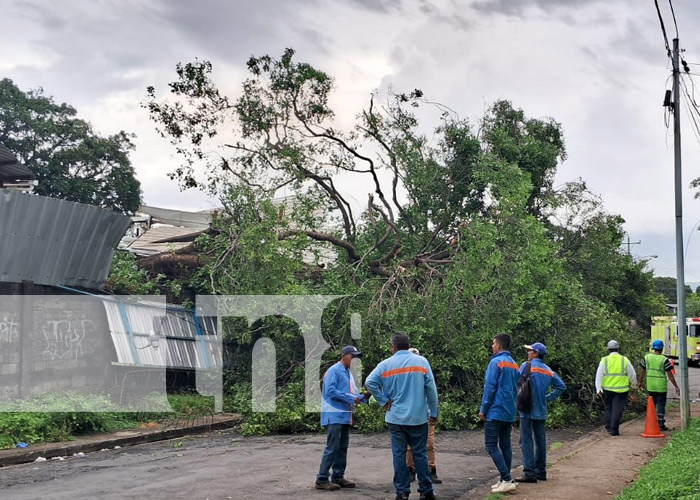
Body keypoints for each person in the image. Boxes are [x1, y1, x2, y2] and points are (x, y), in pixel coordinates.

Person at [365, 333, 439, 500]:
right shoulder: (421, 362)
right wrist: (433, 412)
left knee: (399, 455)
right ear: (408, 345)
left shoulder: (385, 365)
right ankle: (426, 491)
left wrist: (383, 400)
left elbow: (370, 382)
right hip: (418, 417)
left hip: (396, 418)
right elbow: (431, 390)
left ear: (393, 347)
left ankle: (402, 492)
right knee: (420, 454)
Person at [315, 345, 369, 490]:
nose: (355, 359)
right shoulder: (334, 370)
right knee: (332, 447)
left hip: (344, 415)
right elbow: (330, 391)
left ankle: (338, 476)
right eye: (353, 356)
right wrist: (352, 398)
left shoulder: (348, 373)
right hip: (333, 415)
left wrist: (365, 397)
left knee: (342, 447)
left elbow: (353, 395)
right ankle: (321, 479)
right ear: (344, 355)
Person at [514, 342, 566, 483]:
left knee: (526, 441)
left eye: (530, 351)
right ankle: (541, 471)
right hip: (541, 410)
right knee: (540, 441)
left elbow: (515, 382)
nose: (528, 353)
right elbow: (561, 386)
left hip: (527, 409)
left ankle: (529, 473)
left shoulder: (527, 366)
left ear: (536, 353)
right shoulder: (548, 370)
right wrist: (548, 398)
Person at [479, 333, 520, 494]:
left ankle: (507, 478)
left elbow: (490, 387)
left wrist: (483, 409)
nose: (492, 346)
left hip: (496, 409)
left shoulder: (496, 362)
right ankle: (505, 479)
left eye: (493, 343)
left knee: (490, 445)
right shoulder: (514, 364)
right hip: (509, 410)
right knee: (505, 445)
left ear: (499, 345)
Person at [406, 347, 442, 484]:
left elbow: (432, 393)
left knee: (429, 444)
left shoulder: (424, 373)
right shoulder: (407, 377)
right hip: (411, 415)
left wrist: (433, 412)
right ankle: (410, 469)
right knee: (410, 446)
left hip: (425, 414)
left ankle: (431, 470)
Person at [595, 339, 638, 436]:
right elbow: (632, 375)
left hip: (607, 389)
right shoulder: (624, 360)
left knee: (608, 408)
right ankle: (614, 429)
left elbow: (599, 375)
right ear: (618, 349)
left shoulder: (604, 360)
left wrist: (598, 389)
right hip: (621, 390)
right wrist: (634, 386)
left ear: (608, 349)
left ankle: (609, 427)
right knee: (617, 409)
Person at [639, 339, 680, 431]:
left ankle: (651, 423)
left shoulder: (647, 358)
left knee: (651, 405)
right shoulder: (664, 360)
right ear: (662, 349)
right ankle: (661, 424)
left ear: (653, 348)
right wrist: (676, 386)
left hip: (651, 386)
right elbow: (670, 374)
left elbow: (642, 371)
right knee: (661, 405)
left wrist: (640, 382)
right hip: (661, 387)